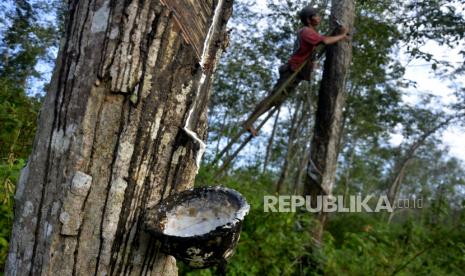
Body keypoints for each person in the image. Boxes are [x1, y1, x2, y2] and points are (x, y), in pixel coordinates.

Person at [243, 6, 349, 136]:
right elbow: (325, 41)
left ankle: (249, 121)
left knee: (276, 100)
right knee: (273, 98)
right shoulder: (306, 32)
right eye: (316, 15)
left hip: (297, 72)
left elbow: (318, 45)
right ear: (309, 20)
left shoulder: (310, 32)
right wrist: (342, 35)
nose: (319, 18)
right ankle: (248, 122)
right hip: (292, 71)